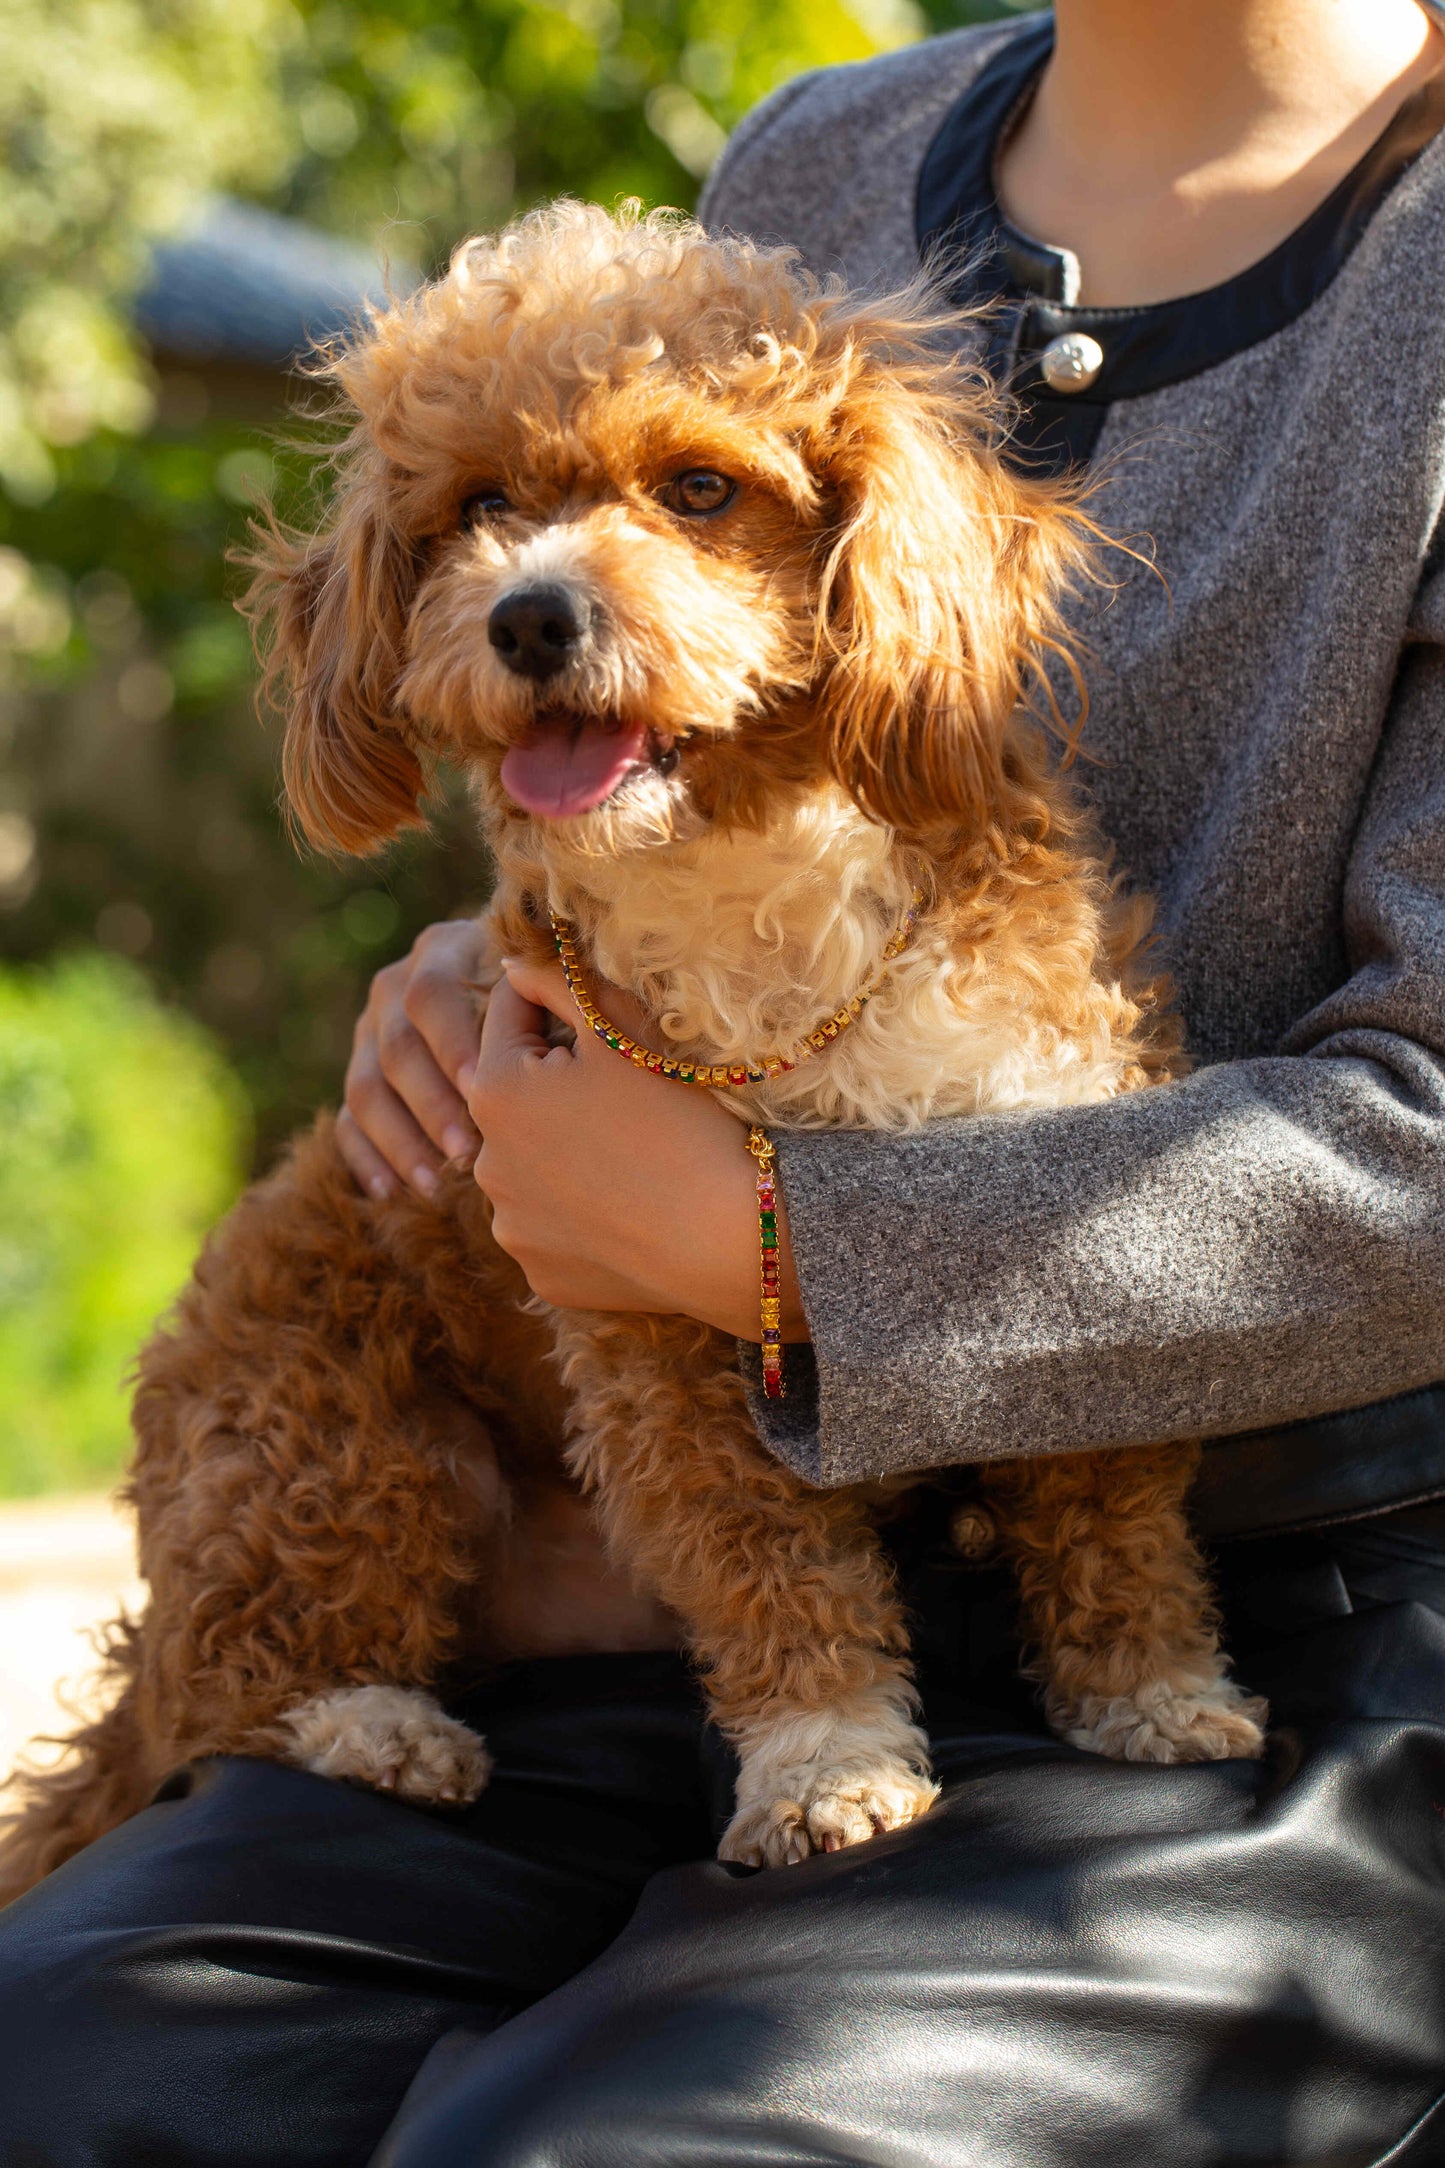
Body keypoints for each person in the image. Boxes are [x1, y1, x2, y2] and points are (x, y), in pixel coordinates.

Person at [3, 1, 1445, 2160]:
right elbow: (650, 752)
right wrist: (478, 974)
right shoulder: (822, 155)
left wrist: (781, 1242)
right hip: (657, 1586)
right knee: (80, 2068)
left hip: (1264, 1651)